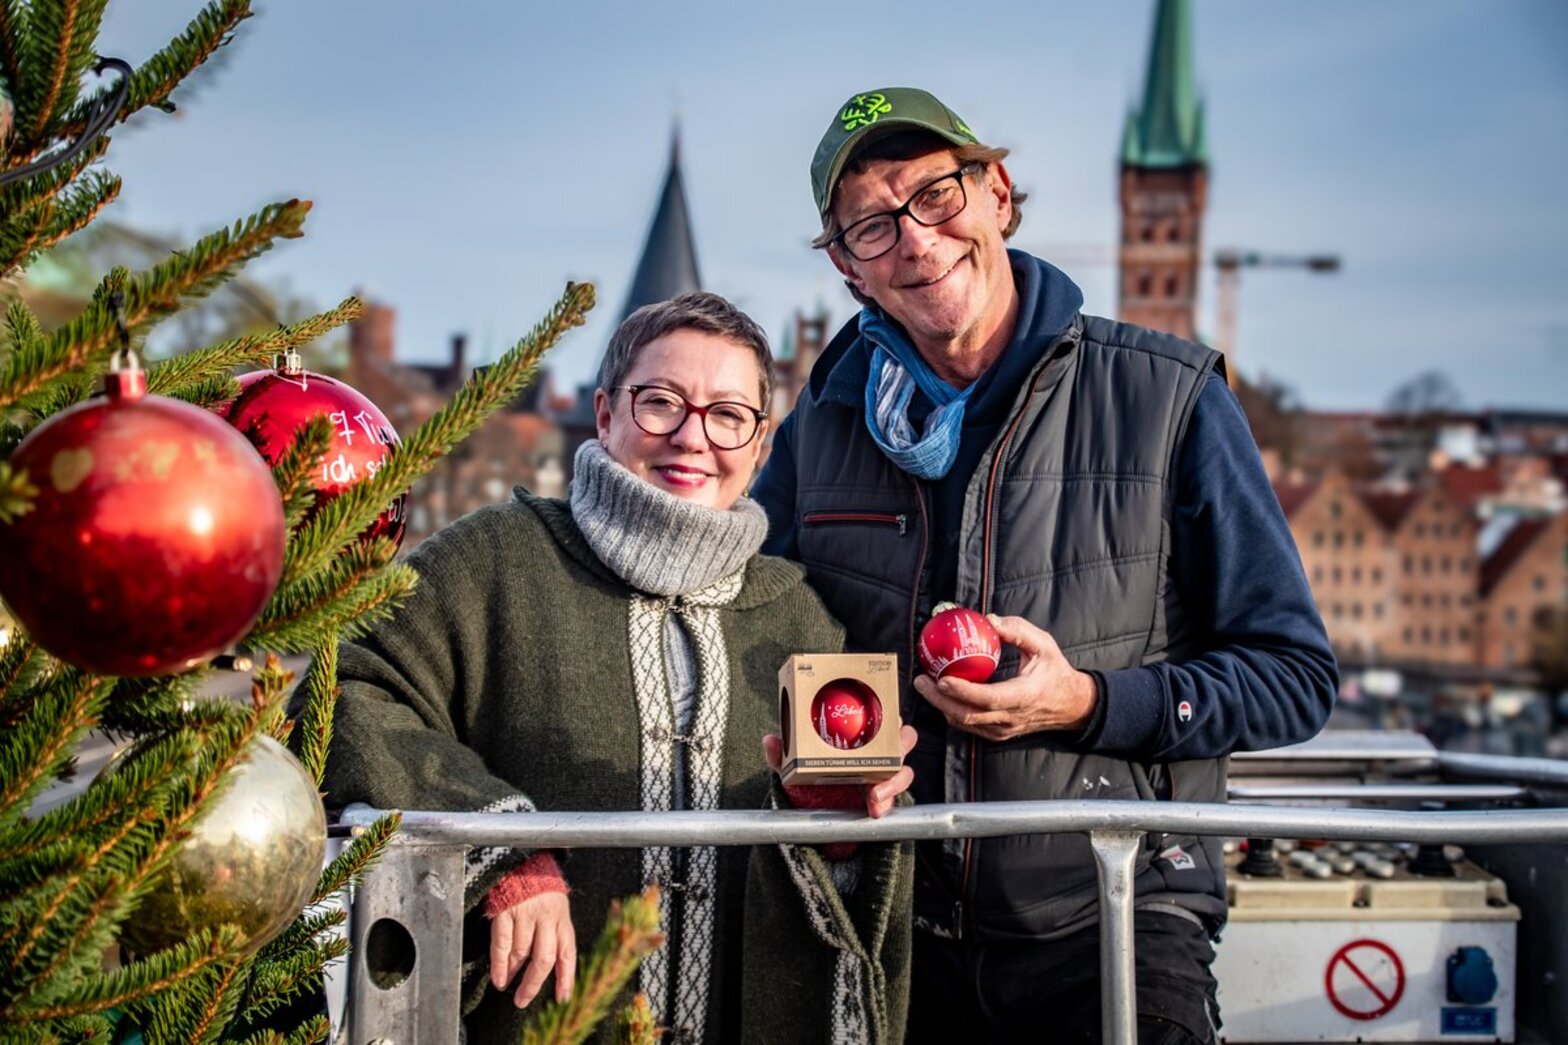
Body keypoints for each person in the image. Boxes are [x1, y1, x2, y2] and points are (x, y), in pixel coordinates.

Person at [751, 88, 1339, 1043]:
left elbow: (1293, 677)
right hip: (893, 921)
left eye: (936, 195)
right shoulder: (822, 423)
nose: (916, 240)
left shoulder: (1168, 397)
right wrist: (811, 765)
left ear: (997, 194)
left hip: (1114, 908)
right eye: (872, 225)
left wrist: (1089, 703)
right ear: (848, 269)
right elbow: (748, 628)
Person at [314, 292, 915, 1045]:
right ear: (604, 414)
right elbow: (347, 687)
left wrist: (840, 832)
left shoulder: (799, 617)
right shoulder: (493, 560)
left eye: (729, 415)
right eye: (660, 402)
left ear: (760, 445)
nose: (692, 437)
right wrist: (502, 848)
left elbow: (850, 884)